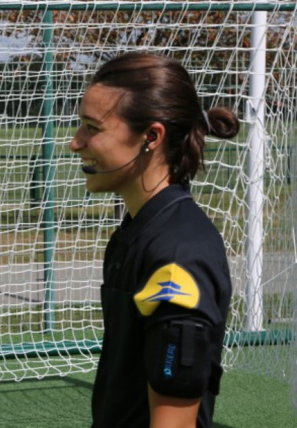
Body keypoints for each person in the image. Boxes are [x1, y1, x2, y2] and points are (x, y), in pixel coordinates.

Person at [69, 52, 239, 428]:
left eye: (92, 128)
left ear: (151, 137)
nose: (75, 143)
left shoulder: (176, 256)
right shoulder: (135, 232)